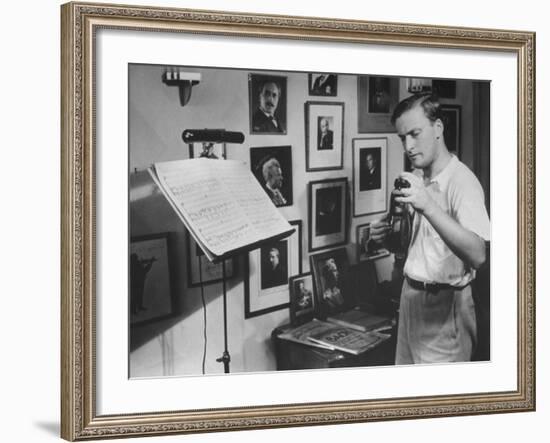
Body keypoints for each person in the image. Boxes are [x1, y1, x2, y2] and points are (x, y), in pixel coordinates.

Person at [370, 93, 490, 365]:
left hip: (445, 307)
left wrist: (429, 206)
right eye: (402, 138)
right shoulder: (418, 178)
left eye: (414, 134)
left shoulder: (462, 182)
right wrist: (387, 238)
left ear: (438, 129)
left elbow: (479, 254)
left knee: (438, 402)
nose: (408, 146)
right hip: (410, 298)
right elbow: (420, 249)